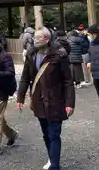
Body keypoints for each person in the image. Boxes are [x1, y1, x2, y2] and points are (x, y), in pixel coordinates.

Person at [16, 27, 75, 170]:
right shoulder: (31, 54)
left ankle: (55, 165)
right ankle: (52, 158)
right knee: (46, 133)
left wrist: (69, 103)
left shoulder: (59, 55)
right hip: (38, 101)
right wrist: (20, 97)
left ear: (46, 39)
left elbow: (68, 81)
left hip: (56, 100)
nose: (34, 40)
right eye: (34, 37)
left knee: (54, 134)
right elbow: (25, 78)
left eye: (37, 38)